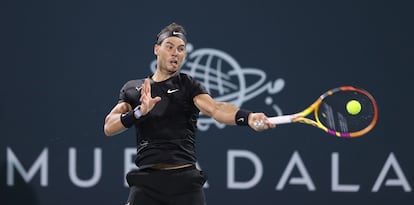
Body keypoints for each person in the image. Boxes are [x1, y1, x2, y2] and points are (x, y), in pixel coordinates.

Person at [103, 22, 275, 205]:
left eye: (181, 49)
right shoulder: (133, 89)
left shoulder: (189, 86)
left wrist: (247, 117)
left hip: (185, 184)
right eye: (169, 47)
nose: (175, 52)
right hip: (146, 184)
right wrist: (139, 112)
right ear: (156, 49)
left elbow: (216, 109)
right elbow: (109, 127)